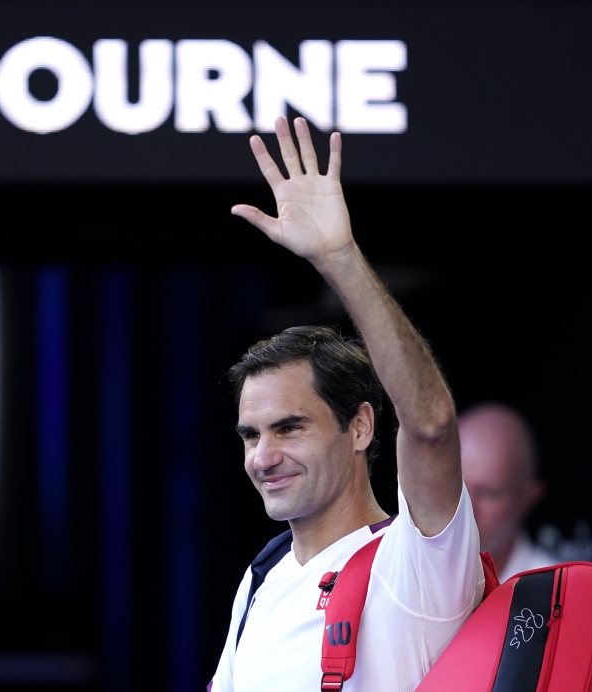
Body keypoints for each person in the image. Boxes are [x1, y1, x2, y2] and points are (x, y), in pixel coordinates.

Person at [210, 117, 484, 692]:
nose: (263, 457)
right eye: (250, 435)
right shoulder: (261, 577)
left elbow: (431, 425)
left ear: (360, 426)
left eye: (289, 428)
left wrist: (339, 258)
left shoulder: (416, 561)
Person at [459, 403, 554, 581]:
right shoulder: (407, 579)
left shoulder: (557, 594)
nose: (466, 509)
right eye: (456, 488)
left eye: (488, 493)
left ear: (529, 497)